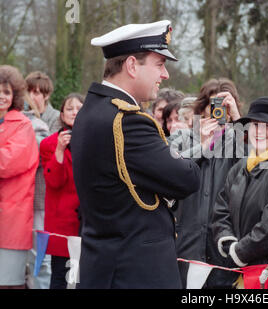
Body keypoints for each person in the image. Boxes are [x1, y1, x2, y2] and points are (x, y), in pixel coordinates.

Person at [70, 20, 200, 289]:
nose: (165, 75)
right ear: (131, 65)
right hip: (134, 272)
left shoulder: (91, 110)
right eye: (159, 64)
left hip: (105, 266)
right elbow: (187, 179)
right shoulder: (127, 121)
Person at [212, 97, 268, 288]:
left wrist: (238, 252)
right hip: (233, 271)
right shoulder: (240, 165)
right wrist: (227, 241)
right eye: (255, 124)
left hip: (266, 273)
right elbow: (221, 209)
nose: (259, 132)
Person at [172, 77, 242, 288]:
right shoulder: (183, 137)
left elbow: (256, 164)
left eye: (223, 107)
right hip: (185, 239)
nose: (216, 112)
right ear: (201, 108)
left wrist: (238, 120)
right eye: (212, 106)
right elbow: (172, 172)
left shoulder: (239, 140)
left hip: (222, 241)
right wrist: (202, 146)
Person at [0, 65, 39, 289]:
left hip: (11, 217)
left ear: (14, 95)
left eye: (6, 91)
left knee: (8, 282)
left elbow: (6, 163)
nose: (1, 96)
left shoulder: (22, 125)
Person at [40, 93, 84, 289]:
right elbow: (54, 181)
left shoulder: (94, 141)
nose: (75, 112)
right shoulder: (49, 143)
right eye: (69, 108)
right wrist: (59, 149)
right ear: (61, 113)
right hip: (63, 223)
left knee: (79, 277)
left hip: (88, 222)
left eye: (79, 108)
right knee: (60, 275)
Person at [22, 93, 52, 289]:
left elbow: (43, 154)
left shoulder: (36, 126)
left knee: (40, 259)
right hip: (16, 204)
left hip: (37, 203)